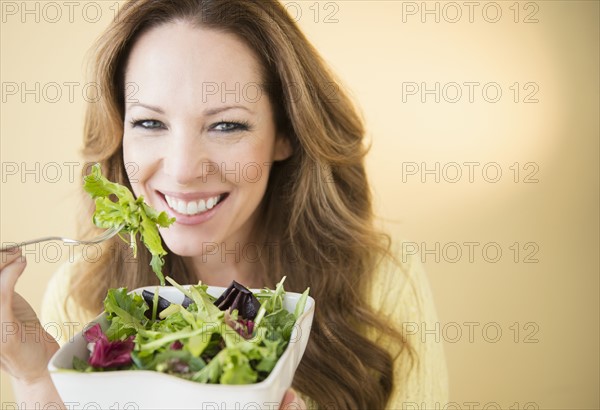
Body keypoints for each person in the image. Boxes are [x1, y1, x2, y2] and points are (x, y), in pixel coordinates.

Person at [0, 0, 448, 408]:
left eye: (227, 126)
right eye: (150, 122)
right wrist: (38, 378)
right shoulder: (79, 301)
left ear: (285, 134)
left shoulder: (380, 283)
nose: (182, 169)